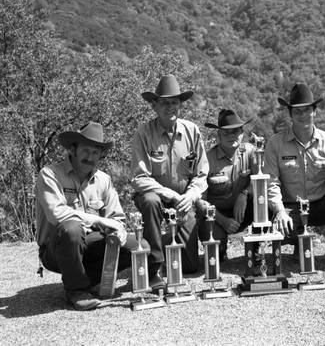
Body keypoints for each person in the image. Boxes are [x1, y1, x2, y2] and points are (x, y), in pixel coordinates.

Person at [36, 122, 147, 311]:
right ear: (73, 149)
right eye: (86, 151)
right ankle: (76, 291)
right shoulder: (50, 174)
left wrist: (117, 230)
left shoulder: (104, 180)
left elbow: (116, 218)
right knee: (71, 228)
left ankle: (83, 281)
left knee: (139, 246)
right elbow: (56, 215)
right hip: (56, 248)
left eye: (96, 153)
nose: (90, 157)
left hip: (89, 244)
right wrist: (99, 220)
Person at [264, 83, 325, 257]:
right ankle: (299, 239)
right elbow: (271, 182)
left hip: (320, 206)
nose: (303, 115)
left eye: (307, 110)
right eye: (297, 111)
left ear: (315, 111)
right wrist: (279, 211)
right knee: (282, 233)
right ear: (290, 115)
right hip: (291, 208)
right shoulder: (275, 143)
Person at [130, 74, 209, 291]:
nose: (170, 107)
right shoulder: (143, 133)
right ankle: (153, 268)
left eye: (175, 102)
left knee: (191, 266)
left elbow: (202, 174)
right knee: (150, 201)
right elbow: (138, 178)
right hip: (155, 196)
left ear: (180, 105)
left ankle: (152, 243)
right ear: (154, 105)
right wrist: (169, 194)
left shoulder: (192, 131)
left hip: (183, 200)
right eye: (164, 102)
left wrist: (190, 197)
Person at [195, 109, 258, 261]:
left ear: (242, 133)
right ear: (219, 136)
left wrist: (244, 194)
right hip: (215, 216)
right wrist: (222, 220)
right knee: (216, 254)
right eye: (226, 133)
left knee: (265, 204)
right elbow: (199, 200)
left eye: (236, 131)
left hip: (243, 211)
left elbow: (262, 181)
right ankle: (220, 249)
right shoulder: (207, 160)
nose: (232, 136)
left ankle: (255, 248)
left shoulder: (251, 152)